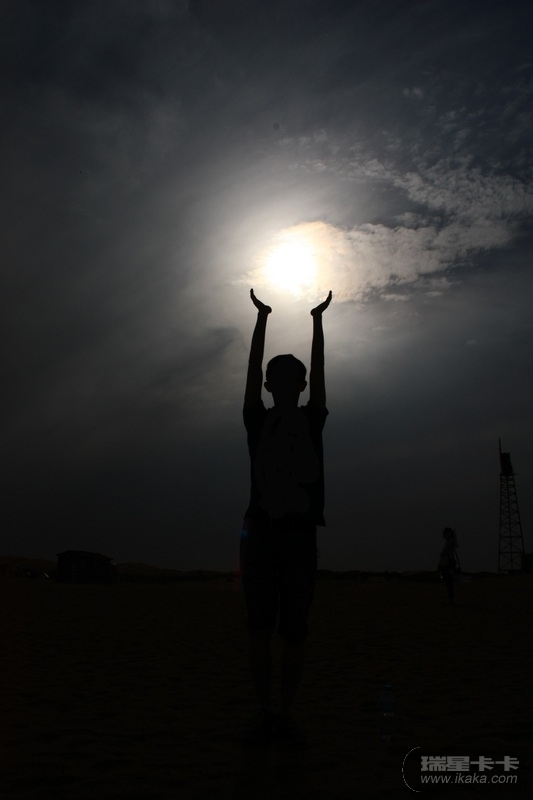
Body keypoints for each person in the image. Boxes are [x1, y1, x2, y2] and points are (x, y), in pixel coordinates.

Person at [240, 287, 332, 744]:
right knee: (260, 628)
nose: (282, 382)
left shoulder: (312, 419)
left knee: (294, 630)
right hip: (259, 531)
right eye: (274, 377)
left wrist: (317, 321)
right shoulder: (256, 419)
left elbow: (319, 372)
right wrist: (262, 319)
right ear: (267, 385)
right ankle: (264, 712)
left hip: (299, 534)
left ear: (301, 385)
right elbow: (252, 368)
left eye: (291, 377)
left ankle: (287, 713)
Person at [438, 527, 458, 603]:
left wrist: (442, 554)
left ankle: (451, 599)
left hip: (447, 564)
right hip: (447, 564)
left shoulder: (449, 543)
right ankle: (450, 599)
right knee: (448, 582)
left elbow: (445, 553)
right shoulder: (450, 542)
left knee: (448, 582)